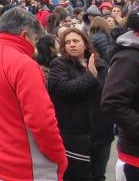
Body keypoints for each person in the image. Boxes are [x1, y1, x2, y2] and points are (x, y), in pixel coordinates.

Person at [0, 7, 67, 181]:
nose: (35, 46)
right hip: (28, 168)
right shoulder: (25, 65)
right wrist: (59, 157)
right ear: (25, 35)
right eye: (35, 39)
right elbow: (42, 121)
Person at [48, 28, 111, 181]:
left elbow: (108, 93)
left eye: (76, 41)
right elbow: (66, 90)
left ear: (85, 43)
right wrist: (91, 77)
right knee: (78, 176)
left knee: (98, 175)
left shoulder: (100, 64)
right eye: (67, 42)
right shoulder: (59, 64)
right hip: (74, 136)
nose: (72, 45)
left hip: (101, 134)